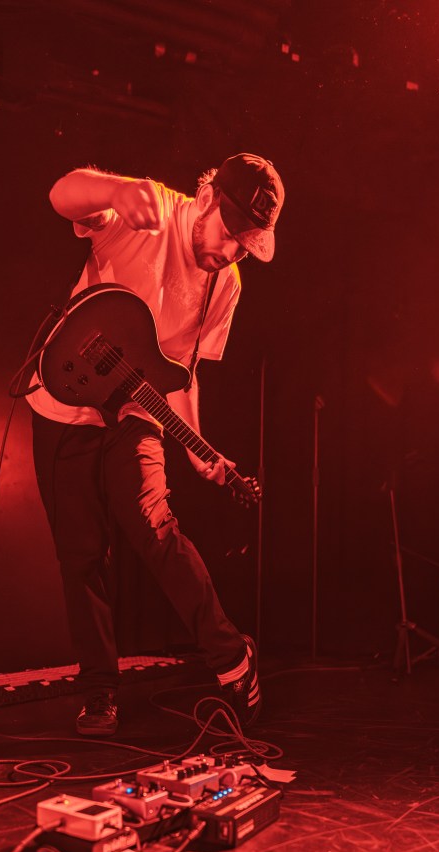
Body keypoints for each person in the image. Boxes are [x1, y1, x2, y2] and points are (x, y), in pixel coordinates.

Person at [27, 153, 284, 735]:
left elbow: (181, 374)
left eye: (246, 244)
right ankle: (99, 692)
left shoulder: (226, 284)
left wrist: (196, 446)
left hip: (137, 409)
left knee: (156, 529)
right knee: (80, 555)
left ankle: (232, 659)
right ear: (207, 198)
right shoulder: (148, 211)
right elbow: (62, 193)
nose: (232, 251)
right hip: (65, 397)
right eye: (230, 232)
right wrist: (113, 189)